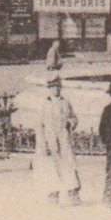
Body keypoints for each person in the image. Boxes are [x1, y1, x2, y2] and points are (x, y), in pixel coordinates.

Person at [35, 75, 81, 205]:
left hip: (64, 140)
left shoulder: (65, 103)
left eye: (57, 87)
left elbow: (74, 118)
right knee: (52, 168)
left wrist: (70, 123)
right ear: (49, 89)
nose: (55, 90)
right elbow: (40, 125)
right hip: (51, 141)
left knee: (69, 166)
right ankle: (53, 194)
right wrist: (43, 143)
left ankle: (73, 194)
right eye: (52, 87)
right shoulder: (45, 104)